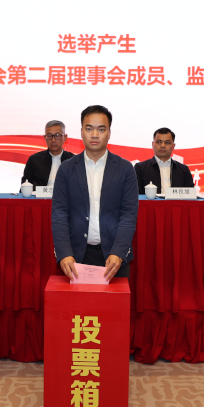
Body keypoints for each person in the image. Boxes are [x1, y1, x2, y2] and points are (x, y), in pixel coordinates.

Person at [52, 105, 138, 281]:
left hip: (115, 259)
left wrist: (118, 252)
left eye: (101, 129)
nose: (95, 135)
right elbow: (59, 213)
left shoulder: (125, 169)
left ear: (109, 133)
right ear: (81, 132)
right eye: (89, 129)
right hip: (76, 258)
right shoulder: (66, 169)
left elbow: (128, 215)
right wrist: (64, 253)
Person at [134, 127, 194, 194]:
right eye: (158, 142)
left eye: (167, 142)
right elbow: (135, 195)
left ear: (173, 146)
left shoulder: (184, 169)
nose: (162, 145)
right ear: (152, 144)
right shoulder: (140, 168)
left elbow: (191, 195)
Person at [21, 120, 75, 189]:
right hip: (40, 196)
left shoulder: (73, 161)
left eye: (57, 135)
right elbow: (25, 186)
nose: (53, 140)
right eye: (49, 136)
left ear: (65, 137)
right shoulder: (34, 160)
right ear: (45, 138)